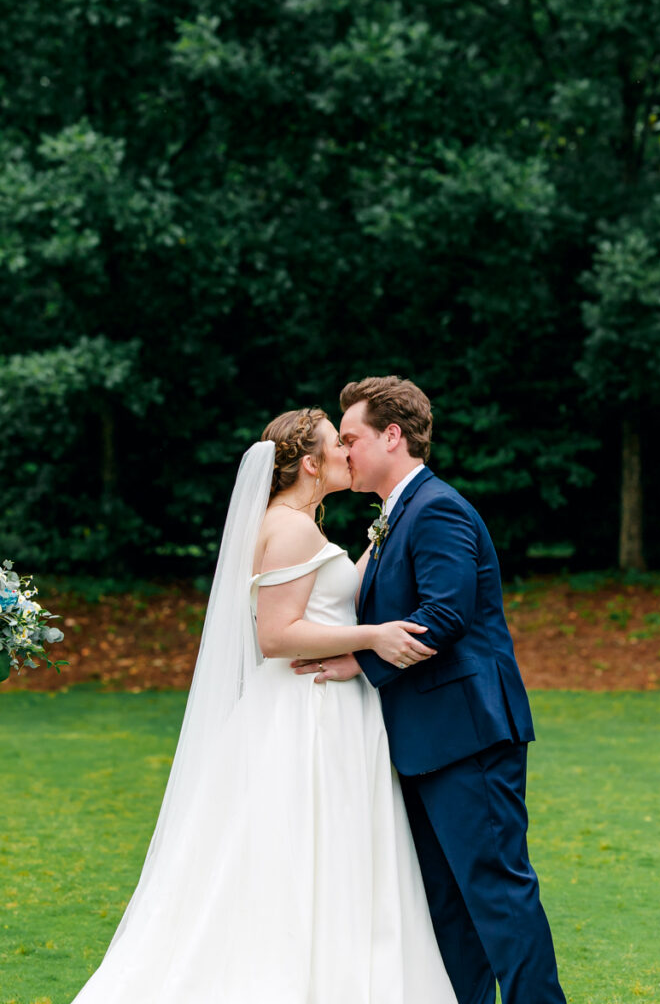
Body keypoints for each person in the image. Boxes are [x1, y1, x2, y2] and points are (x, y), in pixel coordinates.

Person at [69, 407, 458, 1004]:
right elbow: (277, 636)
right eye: (337, 444)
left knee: (312, 849)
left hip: (321, 702)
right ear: (311, 464)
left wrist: (380, 537)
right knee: (305, 848)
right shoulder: (292, 528)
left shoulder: (292, 525)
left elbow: (327, 598)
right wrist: (373, 638)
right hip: (307, 711)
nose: (347, 452)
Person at [295, 377, 566, 1004]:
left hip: (468, 733)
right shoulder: (395, 516)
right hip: (424, 739)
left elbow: (445, 615)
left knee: (496, 893)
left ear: (393, 435)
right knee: (447, 905)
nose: (344, 451)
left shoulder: (437, 508)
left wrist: (361, 661)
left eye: (352, 438)